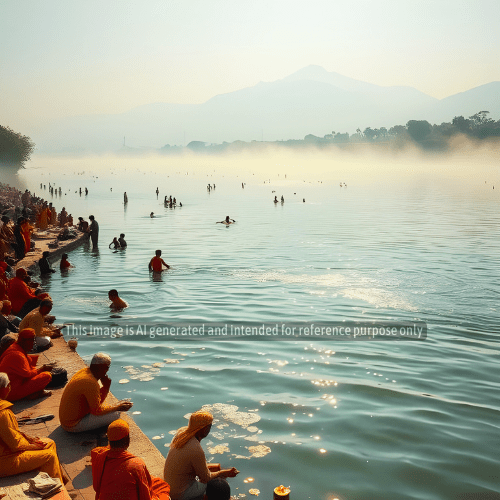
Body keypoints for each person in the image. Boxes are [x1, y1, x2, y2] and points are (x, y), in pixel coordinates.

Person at [0, 372, 68, 484]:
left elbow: (9, 433)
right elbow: (15, 445)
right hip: (4, 461)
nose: (10, 388)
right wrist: (33, 446)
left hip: (6, 452)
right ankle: (55, 490)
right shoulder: (3, 413)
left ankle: (60, 479)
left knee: (49, 443)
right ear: (3, 389)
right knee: (49, 456)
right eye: (8, 385)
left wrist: (29, 438)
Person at [164, 410, 239, 500]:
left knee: (215, 470)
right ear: (203, 428)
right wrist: (223, 473)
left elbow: (191, 466)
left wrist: (215, 468)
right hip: (180, 494)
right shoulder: (196, 448)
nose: (209, 429)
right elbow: (206, 478)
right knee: (217, 484)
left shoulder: (182, 434)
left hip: (170, 487)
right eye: (209, 426)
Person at [91, 419, 171, 500]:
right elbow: (145, 497)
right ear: (127, 439)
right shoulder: (136, 464)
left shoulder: (100, 457)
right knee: (163, 487)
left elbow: (97, 487)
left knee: (153, 480)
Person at [59, 352, 133, 432]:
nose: (107, 370)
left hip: (65, 420)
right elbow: (97, 411)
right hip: (72, 425)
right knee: (116, 414)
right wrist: (117, 406)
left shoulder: (84, 372)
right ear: (100, 367)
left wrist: (105, 388)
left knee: (109, 408)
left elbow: (97, 404)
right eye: (107, 367)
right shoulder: (91, 383)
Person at [0, 328, 53, 401]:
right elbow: (28, 374)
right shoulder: (18, 354)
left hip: (9, 386)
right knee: (46, 376)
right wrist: (42, 369)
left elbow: (29, 365)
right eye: (31, 340)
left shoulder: (15, 347)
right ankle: (27, 395)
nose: (34, 342)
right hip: (9, 392)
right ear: (24, 341)